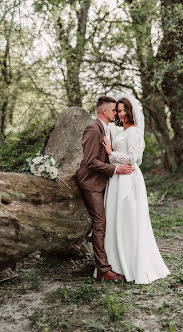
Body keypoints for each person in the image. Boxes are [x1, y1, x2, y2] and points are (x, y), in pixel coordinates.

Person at [102, 95, 170, 284]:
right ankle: (115, 265)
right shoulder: (119, 130)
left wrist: (110, 153)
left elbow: (132, 158)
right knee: (115, 219)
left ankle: (132, 264)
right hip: (117, 177)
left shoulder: (132, 132)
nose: (122, 114)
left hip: (128, 177)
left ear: (131, 111)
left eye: (125, 110)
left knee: (129, 219)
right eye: (119, 110)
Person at [76, 96, 134, 281]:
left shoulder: (107, 129)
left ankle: (112, 261)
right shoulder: (93, 128)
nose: (116, 113)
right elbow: (90, 161)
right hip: (91, 183)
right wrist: (116, 169)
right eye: (114, 110)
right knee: (100, 224)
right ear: (104, 111)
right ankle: (103, 270)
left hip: (104, 182)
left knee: (108, 222)